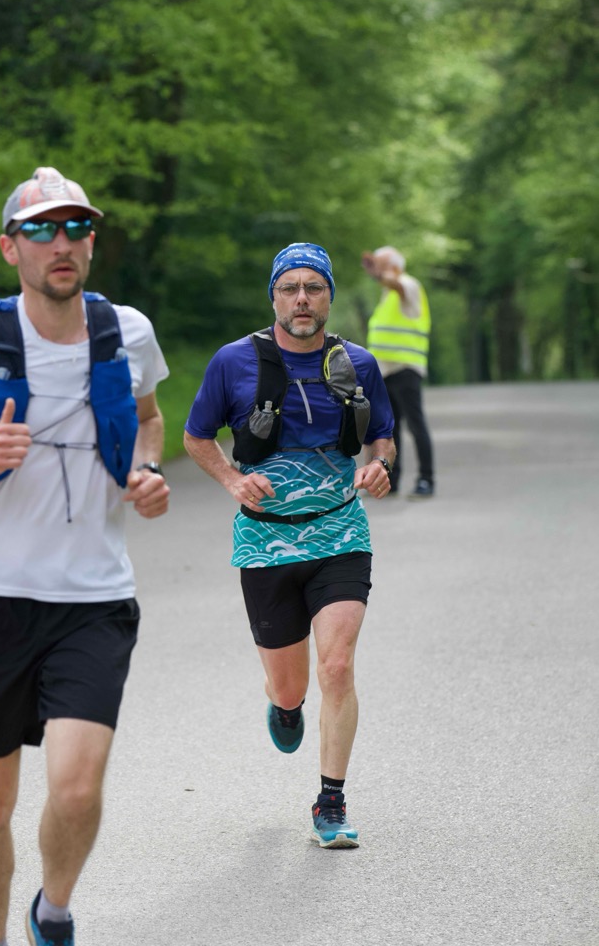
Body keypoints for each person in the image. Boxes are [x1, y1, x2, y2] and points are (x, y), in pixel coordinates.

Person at [0, 166, 170, 946]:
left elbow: (149, 418)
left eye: (77, 227)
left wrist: (146, 469)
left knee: (76, 791)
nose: (62, 243)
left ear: (92, 243)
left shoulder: (127, 332)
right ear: (10, 247)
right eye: (42, 229)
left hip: (94, 599)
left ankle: (52, 908)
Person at [183, 243, 394, 849]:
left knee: (337, 666)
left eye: (313, 288)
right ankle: (284, 705)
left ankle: (331, 800)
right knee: (290, 687)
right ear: (273, 297)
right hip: (266, 542)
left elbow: (383, 435)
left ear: (329, 296)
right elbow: (196, 437)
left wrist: (380, 465)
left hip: (339, 530)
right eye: (289, 288)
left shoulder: (358, 364)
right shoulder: (233, 363)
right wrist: (232, 480)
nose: (302, 299)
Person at [362, 245, 434, 499]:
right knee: (389, 429)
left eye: (381, 266)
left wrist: (378, 273)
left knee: (416, 425)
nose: (378, 272)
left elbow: (396, 284)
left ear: (393, 266)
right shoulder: (387, 295)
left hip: (406, 368)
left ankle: (426, 479)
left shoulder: (408, 284)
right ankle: (391, 481)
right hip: (385, 372)